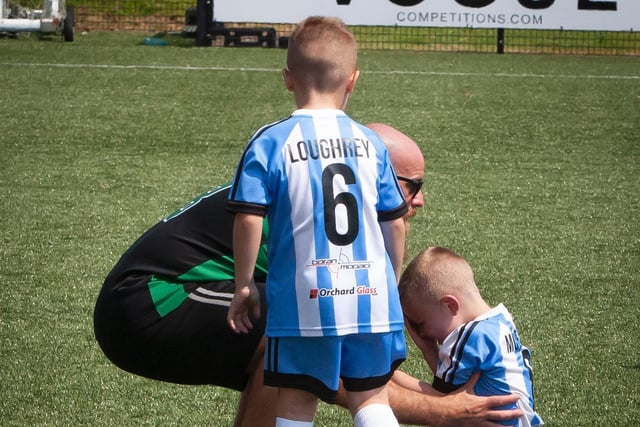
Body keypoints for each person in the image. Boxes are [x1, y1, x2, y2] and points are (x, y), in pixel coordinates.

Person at [226, 16, 407, 427]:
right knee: (371, 397)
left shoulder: (271, 141)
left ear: (288, 78)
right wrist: (388, 283)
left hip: (305, 300)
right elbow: (395, 223)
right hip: (371, 295)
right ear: (353, 80)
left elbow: (249, 219)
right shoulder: (371, 142)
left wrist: (242, 286)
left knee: (296, 400)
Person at [398, 246, 544, 427]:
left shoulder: (467, 338)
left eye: (421, 324)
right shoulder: (501, 321)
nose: (422, 333)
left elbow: (442, 403)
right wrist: (430, 349)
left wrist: (385, 375)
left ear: (450, 306)